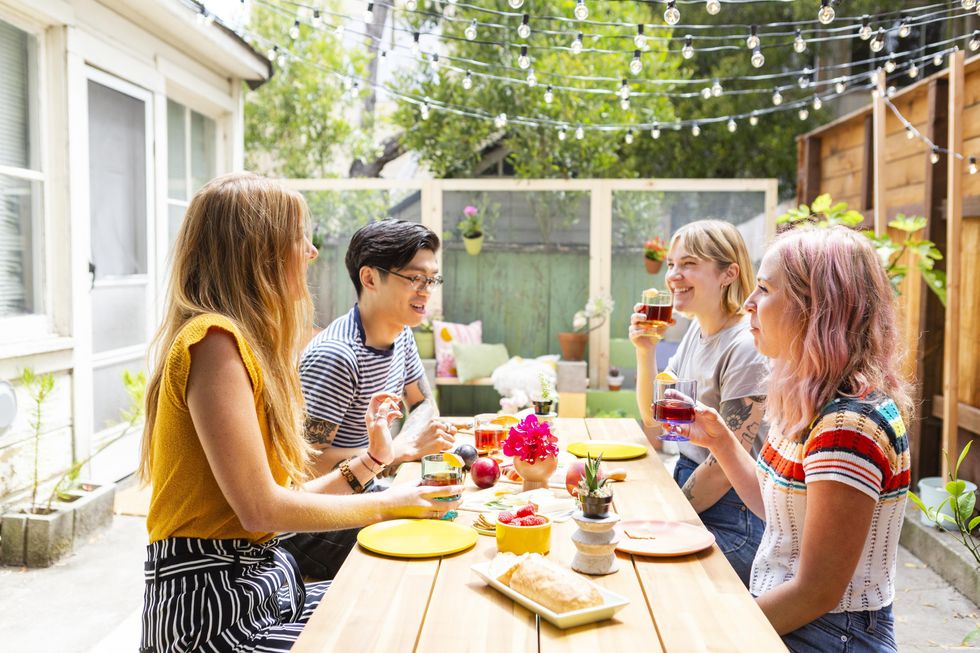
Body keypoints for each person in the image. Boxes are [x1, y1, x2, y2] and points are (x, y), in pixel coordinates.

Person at [138, 172, 461, 653]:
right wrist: (390, 501)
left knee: (407, 602)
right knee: (401, 619)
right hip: (213, 614)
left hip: (262, 589)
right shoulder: (214, 342)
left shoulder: (242, 344)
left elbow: (274, 499)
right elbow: (261, 509)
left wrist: (372, 462)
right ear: (257, 250)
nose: (311, 252)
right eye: (298, 238)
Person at [673, 226, 909, 652]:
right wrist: (722, 442)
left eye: (763, 289)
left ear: (815, 308)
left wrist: (718, 636)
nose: (747, 304)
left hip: (832, 635)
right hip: (797, 618)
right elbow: (779, 512)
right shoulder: (813, 400)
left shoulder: (849, 427)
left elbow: (817, 592)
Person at [283, 218, 456, 579]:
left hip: (366, 489)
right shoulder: (337, 356)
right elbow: (306, 467)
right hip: (310, 526)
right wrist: (396, 453)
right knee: (433, 540)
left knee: (453, 509)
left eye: (432, 279)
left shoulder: (401, 335)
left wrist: (403, 443)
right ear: (370, 278)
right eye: (414, 278)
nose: (426, 290)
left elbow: (424, 403)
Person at [630, 219, 768, 585]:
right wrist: (646, 351)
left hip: (735, 517)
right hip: (695, 489)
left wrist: (669, 516)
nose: (673, 275)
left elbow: (724, 468)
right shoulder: (698, 330)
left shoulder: (745, 347)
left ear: (728, 274)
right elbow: (654, 418)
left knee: (644, 575)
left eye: (688, 264)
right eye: (672, 264)